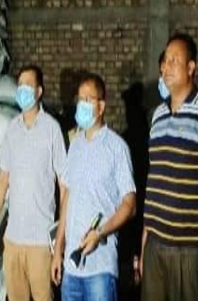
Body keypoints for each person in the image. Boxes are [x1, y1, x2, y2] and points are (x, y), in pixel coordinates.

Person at [139, 32, 198, 301]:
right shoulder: (157, 116)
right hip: (155, 247)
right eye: (165, 61)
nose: (166, 67)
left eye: (174, 61)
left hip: (191, 252)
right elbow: (155, 184)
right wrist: (144, 245)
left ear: (191, 67)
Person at [51, 73, 136, 301]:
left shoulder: (117, 148)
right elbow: (67, 199)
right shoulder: (75, 146)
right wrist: (58, 249)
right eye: (80, 99)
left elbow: (130, 205)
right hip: (71, 268)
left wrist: (100, 233)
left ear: (101, 106)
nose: (82, 105)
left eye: (88, 100)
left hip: (100, 269)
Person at [0, 65, 67, 301]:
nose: (22, 91)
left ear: (39, 91)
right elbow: (3, 181)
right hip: (13, 239)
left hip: (40, 241)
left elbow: (64, 186)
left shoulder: (52, 129)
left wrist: (60, 240)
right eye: (19, 86)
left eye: (28, 86)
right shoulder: (12, 129)